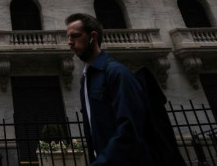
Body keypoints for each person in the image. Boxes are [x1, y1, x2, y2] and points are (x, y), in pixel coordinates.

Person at [65, 13, 153, 165]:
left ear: (93, 37)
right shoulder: (85, 80)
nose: (70, 42)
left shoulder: (117, 73)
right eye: (68, 37)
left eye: (75, 36)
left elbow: (129, 130)